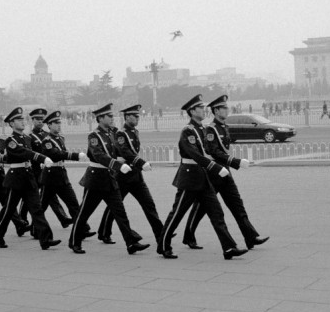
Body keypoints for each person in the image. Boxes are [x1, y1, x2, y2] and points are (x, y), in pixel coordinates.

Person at [157, 94, 247, 260]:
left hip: (204, 178)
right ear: (192, 111)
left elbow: (211, 151)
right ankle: (163, 245)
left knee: (217, 213)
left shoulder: (203, 130)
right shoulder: (188, 132)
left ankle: (229, 248)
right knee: (177, 213)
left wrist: (227, 164)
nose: (204, 110)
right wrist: (216, 167)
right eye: (200, 108)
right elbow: (195, 154)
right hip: (190, 178)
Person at [181, 95, 270, 250]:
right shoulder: (211, 129)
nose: (227, 110)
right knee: (200, 208)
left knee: (237, 205)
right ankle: (189, 235)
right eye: (224, 108)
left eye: (227, 107)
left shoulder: (224, 127)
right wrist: (235, 161)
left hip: (226, 173)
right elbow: (213, 152)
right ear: (216, 111)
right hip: (214, 174)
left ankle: (250, 237)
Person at [68, 103, 149, 255]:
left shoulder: (113, 133)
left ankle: (131, 243)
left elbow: (121, 149)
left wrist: (129, 162)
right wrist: (117, 165)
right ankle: (74, 242)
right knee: (84, 212)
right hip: (96, 179)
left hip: (110, 178)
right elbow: (99, 155)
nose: (113, 118)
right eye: (109, 116)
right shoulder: (94, 136)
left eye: (112, 116)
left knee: (120, 212)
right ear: (100, 118)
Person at [0, 107, 61, 250]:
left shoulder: (28, 138)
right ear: (11, 124)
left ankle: (46, 239)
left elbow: (34, 152)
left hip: (28, 177)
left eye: (22, 119)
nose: (22, 122)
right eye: (18, 120)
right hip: (16, 178)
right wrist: (42, 158)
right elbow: (23, 152)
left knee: (37, 209)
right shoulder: (10, 140)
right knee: (9, 209)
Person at [97, 104, 164, 247]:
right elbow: (125, 151)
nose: (138, 119)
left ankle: (160, 234)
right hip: (123, 176)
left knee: (149, 204)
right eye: (135, 116)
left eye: (138, 116)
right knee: (115, 207)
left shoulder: (134, 132)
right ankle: (104, 232)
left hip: (136, 175)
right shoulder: (121, 134)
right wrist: (141, 162)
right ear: (127, 117)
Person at [38, 110, 95, 237]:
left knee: (73, 203)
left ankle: (83, 229)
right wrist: (75, 156)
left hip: (61, 176)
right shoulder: (46, 141)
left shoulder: (60, 138)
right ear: (49, 125)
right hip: (50, 177)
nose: (59, 125)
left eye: (59, 123)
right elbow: (55, 154)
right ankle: (35, 229)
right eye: (55, 123)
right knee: (42, 206)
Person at [20, 108, 71, 229]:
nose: (40, 122)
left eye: (42, 119)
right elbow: (28, 154)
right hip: (34, 169)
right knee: (29, 196)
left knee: (50, 195)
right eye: (37, 119)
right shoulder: (29, 137)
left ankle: (62, 218)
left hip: (46, 170)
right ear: (32, 120)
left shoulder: (46, 135)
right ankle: (22, 220)